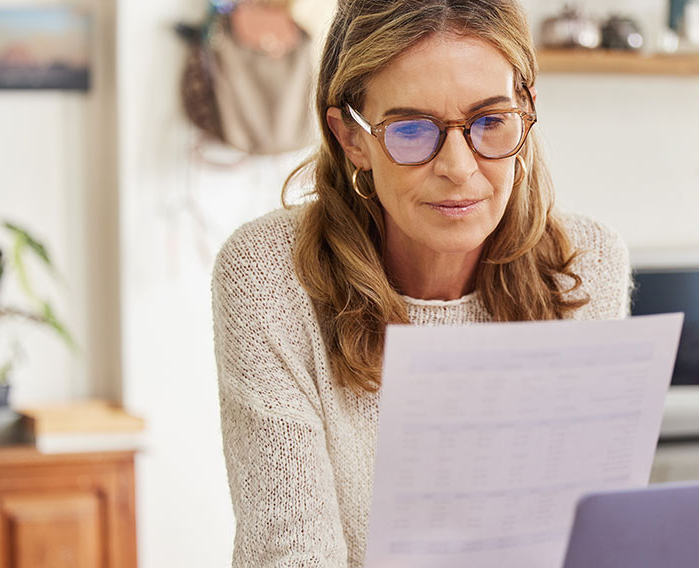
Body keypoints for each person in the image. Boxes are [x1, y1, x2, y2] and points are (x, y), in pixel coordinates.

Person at [211, 0, 632, 565]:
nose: (459, 167)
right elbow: (290, 554)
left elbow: (588, 540)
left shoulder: (584, 264)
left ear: (527, 113)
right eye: (411, 130)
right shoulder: (268, 277)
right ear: (351, 138)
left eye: (490, 121)